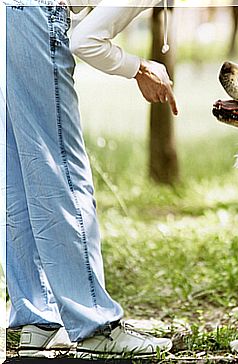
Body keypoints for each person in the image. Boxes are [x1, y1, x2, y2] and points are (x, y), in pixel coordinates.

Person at [4, 0, 177, 358]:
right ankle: (96, 325)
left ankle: (31, 321)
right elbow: (84, 40)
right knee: (62, 173)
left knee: (18, 177)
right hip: (36, 16)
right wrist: (139, 67)